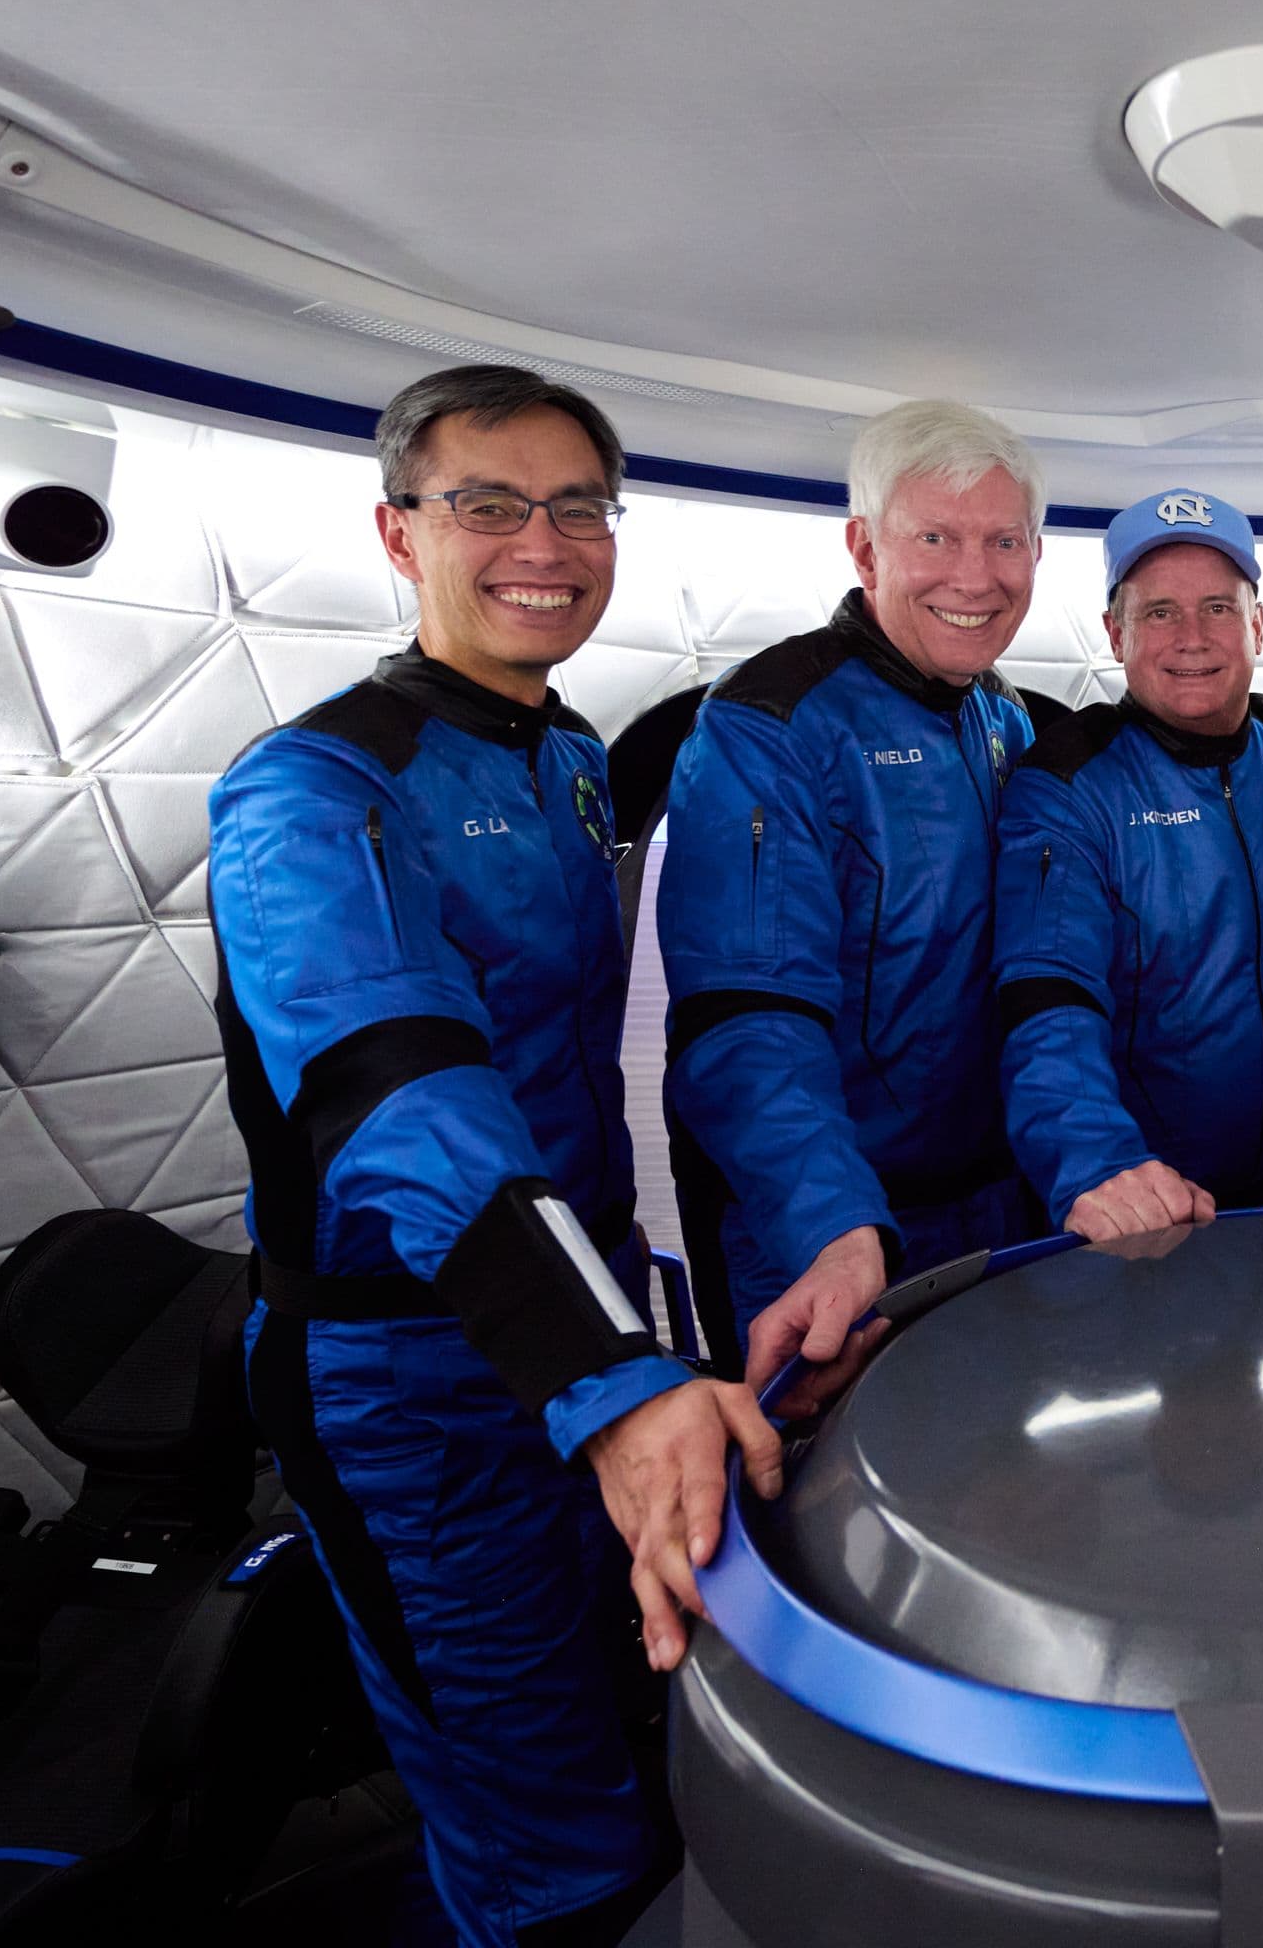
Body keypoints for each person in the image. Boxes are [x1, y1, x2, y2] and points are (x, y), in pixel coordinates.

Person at [211, 365, 781, 1947]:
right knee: (540, 1828)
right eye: (488, 504)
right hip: (411, 1382)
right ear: (401, 534)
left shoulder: (568, 754)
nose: (545, 542)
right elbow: (404, 1094)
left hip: (577, 1326)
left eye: (579, 507)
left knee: (625, 1726)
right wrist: (609, 1373)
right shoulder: (313, 792)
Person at [659, 399, 1045, 1391]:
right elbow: (747, 1018)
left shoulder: (1007, 720)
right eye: (936, 537)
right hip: (831, 1226)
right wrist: (833, 1220)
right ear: (865, 548)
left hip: (1000, 1202)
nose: (977, 574)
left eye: (1005, 539)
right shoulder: (769, 729)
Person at [995, 489, 1263, 1239]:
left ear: (1258, 626)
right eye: (1159, 612)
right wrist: (1092, 1161)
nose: (1192, 637)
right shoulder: (1069, 786)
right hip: (1141, 1205)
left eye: (1217, 608)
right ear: (1115, 633)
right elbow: (1046, 994)